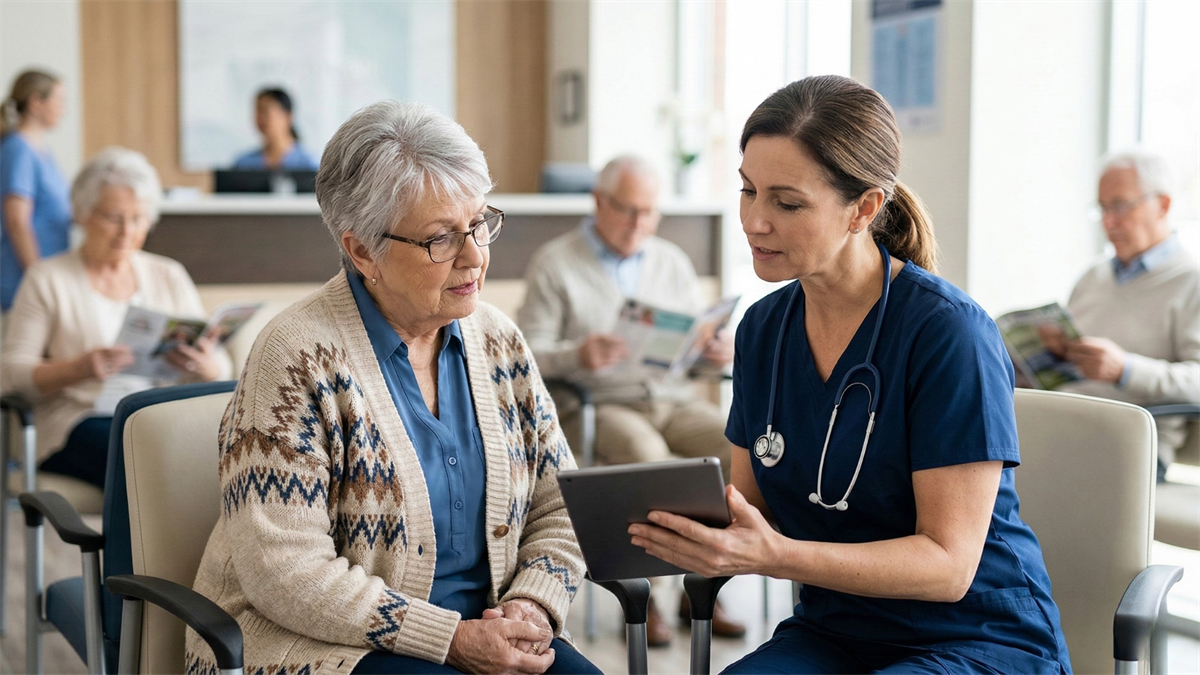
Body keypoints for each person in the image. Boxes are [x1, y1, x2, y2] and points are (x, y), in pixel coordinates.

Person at [628, 75, 1072, 674]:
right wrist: (657, 528)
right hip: (835, 630)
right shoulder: (763, 330)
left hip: (975, 633)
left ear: (864, 208)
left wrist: (777, 556)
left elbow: (948, 566)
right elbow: (751, 512)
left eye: (787, 203)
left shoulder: (948, 334)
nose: (755, 221)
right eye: (747, 191)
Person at [186, 101, 600, 675]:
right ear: (362, 252)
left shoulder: (497, 339)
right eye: (441, 239)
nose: (476, 257)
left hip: (491, 631)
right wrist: (448, 639)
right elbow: (283, 570)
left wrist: (532, 602)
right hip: (323, 643)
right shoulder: (294, 356)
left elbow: (565, 502)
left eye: (480, 223)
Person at [517, 154, 745, 646]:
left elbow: (691, 346)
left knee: (736, 450)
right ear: (599, 202)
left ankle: (703, 585)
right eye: (627, 210)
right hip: (601, 403)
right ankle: (652, 599)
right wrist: (578, 353)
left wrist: (713, 352)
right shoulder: (556, 262)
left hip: (672, 397)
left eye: (649, 212)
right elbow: (525, 352)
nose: (639, 224)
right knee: (650, 462)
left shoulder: (670, 261)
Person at [0, 148, 230, 488]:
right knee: (143, 452)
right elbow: (10, 374)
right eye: (113, 217)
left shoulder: (168, 274)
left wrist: (205, 365)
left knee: (212, 447)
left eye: (138, 218)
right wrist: (80, 368)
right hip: (79, 421)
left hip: (160, 416)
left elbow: (220, 366)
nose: (127, 231)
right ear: (83, 214)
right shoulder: (47, 278)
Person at [1041, 150, 1199, 481]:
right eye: (1102, 208)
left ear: (1164, 205)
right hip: (1062, 426)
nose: (1109, 221)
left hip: (1129, 445)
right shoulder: (1093, 277)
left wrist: (1125, 369)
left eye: (1121, 206)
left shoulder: (1191, 282)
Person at [0, 69, 72, 315]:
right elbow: (16, 221)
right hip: (24, 279)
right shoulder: (18, 149)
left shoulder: (42, 151)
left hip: (48, 273)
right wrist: (37, 278)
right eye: (59, 100)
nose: (64, 108)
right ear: (36, 103)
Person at [231, 87, 319, 171]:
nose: (260, 118)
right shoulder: (244, 164)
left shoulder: (309, 165)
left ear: (287, 116)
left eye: (265, 111)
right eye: (258, 111)